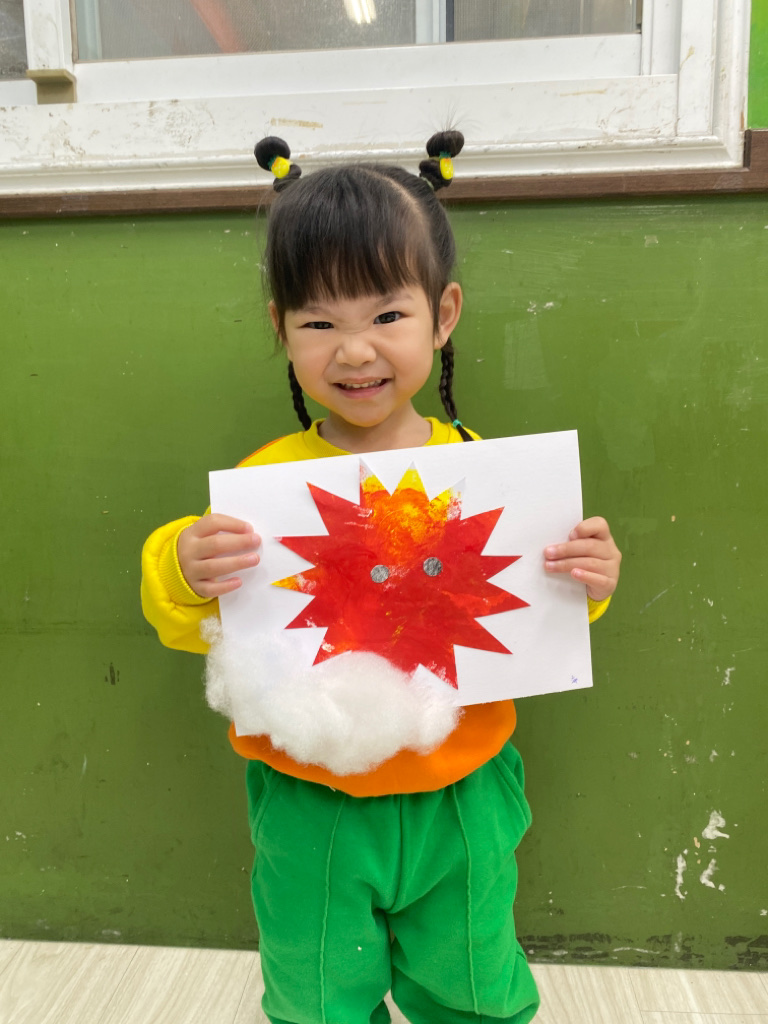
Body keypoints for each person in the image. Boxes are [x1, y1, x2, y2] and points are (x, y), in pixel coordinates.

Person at [141, 131, 622, 1024]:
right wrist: (183, 563)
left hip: (463, 792)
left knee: (473, 976)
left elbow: (529, 622)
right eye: (320, 323)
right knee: (316, 986)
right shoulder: (264, 485)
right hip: (312, 801)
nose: (355, 351)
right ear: (281, 328)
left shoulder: (489, 473)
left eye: (387, 316)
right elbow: (190, 616)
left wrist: (585, 580)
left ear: (444, 315)